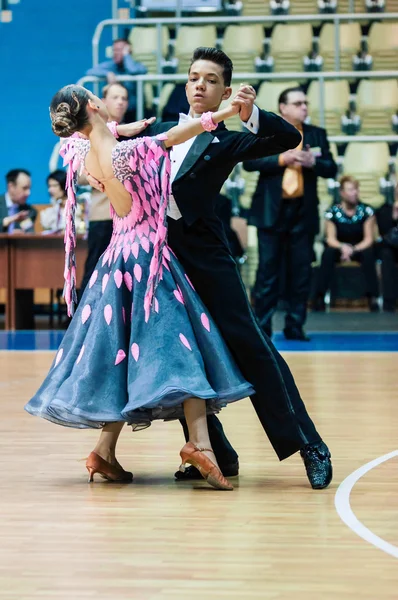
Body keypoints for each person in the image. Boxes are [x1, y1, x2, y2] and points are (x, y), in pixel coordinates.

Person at [114, 48, 333, 489]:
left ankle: (310, 445)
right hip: (159, 257)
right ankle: (215, 455)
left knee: (253, 348)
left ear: (225, 91)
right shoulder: (155, 130)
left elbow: (285, 140)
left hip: (207, 256)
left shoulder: (227, 139)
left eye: (210, 80)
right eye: (194, 76)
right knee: (181, 355)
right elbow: (96, 148)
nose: (199, 85)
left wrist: (251, 113)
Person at [24, 84, 255, 491]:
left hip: (115, 261)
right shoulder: (129, 152)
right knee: (182, 345)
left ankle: (105, 451)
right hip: (148, 258)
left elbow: (87, 139)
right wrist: (223, 114)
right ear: (94, 105)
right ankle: (199, 444)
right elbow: (174, 136)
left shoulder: (79, 156)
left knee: (118, 354)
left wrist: (120, 126)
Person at [243, 86, 337, 341]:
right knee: (267, 273)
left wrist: (313, 162)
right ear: (283, 107)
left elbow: (331, 168)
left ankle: (295, 326)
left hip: (302, 212)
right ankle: (262, 329)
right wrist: (282, 160)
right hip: (271, 211)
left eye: (305, 102)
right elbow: (249, 162)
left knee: (301, 272)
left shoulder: (317, 134)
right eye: (297, 103)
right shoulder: (267, 131)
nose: (304, 107)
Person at [79, 83, 155, 296]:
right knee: (96, 268)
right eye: (115, 97)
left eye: (124, 98)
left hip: (133, 215)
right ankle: (83, 320)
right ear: (100, 102)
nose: (121, 102)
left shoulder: (135, 130)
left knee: (129, 271)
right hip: (103, 214)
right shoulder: (87, 132)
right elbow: (78, 174)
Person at [313, 176, 379, 311]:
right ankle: (319, 296)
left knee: (369, 254)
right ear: (342, 193)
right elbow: (330, 239)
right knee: (328, 253)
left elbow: (368, 239)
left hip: (359, 247)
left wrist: (353, 249)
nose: (354, 192)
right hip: (339, 247)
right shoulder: (332, 212)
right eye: (350, 189)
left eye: (356, 189)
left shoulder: (367, 211)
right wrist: (343, 247)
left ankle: (373, 297)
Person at [86, 39, 147, 120]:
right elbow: (90, 71)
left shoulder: (137, 65)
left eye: (119, 50)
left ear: (128, 51)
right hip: (113, 111)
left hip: (134, 111)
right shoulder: (111, 66)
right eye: (114, 50)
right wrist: (107, 73)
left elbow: (133, 70)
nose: (115, 53)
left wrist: (126, 56)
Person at [376, 188, 398, 312]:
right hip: (392, 247)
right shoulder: (385, 209)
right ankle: (389, 301)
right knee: (386, 254)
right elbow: (384, 234)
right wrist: (394, 216)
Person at [0, 169, 36, 233]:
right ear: (11, 186)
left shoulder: (29, 211)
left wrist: (24, 234)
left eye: (29, 188)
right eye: (24, 188)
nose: (28, 193)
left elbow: (30, 232)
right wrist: (9, 221)